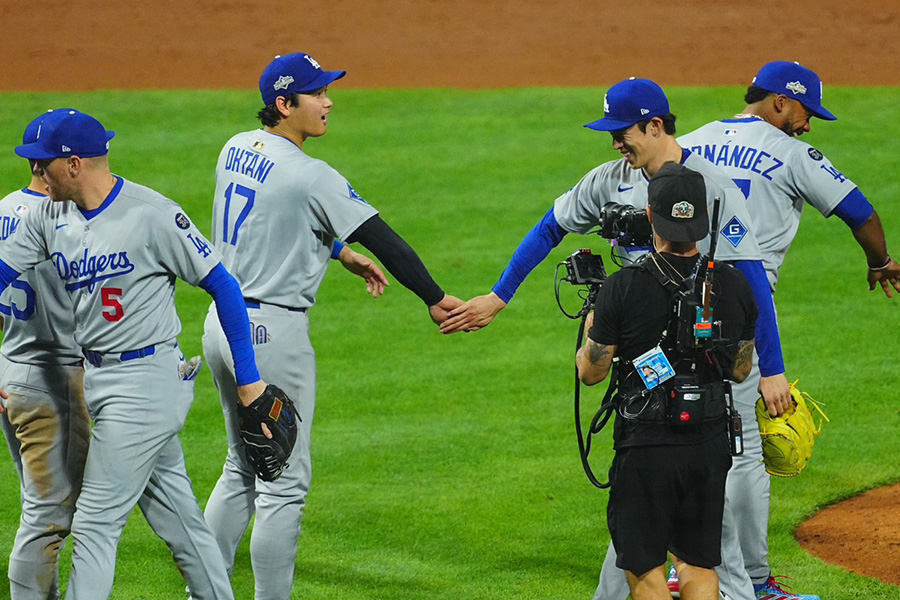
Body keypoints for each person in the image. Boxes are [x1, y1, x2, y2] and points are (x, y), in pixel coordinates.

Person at [438, 77, 791, 600]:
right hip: (645, 365)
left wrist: (774, 370)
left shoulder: (710, 186)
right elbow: (550, 227)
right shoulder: (610, 180)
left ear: (654, 125)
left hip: (702, 362)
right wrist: (500, 294)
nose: (615, 144)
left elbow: (753, 279)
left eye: (621, 132)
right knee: (660, 501)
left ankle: (738, 590)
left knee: (677, 505)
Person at [200, 51, 461, 599]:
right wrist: (434, 298)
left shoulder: (236, 147)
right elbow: (384, 237)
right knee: (283, 484)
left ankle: (204, 591)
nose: (329, 102)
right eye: (317, 94)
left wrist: (336, 251)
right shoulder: (312, 174)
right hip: (272, 335)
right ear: (284, 103)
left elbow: (274, 217)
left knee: (240, 467)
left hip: (221, 322)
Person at [0, 108, 280, 600]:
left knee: (94, 522)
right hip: (98, 379)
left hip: (147, 383)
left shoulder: (152, 214)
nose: (35, 174)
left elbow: (224, 287)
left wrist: (249, 377)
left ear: (72, 165)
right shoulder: (50, 214)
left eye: (42, 164)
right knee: (179, 515)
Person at [673, 60, 900, 600]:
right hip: (740, 313)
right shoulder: (793, 154)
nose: (807, 124)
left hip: (673, 306)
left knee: (681, 433)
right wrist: (881, 260)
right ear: (779, 101)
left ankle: (687, 567)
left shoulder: (690, 143)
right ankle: (751, 583)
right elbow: (861, 212)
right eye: (804, 110)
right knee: (747, 446)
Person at [576, 162, 757, 600]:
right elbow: (739, 369)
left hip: (647, 446)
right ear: (704, 221)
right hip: (709, 442)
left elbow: (591, 372)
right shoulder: (734, 286)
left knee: (645, 571)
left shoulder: (621, 287)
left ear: (651, 217)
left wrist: (593, 320)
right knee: (697, 564)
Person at [0, 110, 89, 600]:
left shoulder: (3, 208)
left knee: (37, 505)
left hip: (10, 370)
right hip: (54, 380)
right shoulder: (61, 220)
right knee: (48, 516)